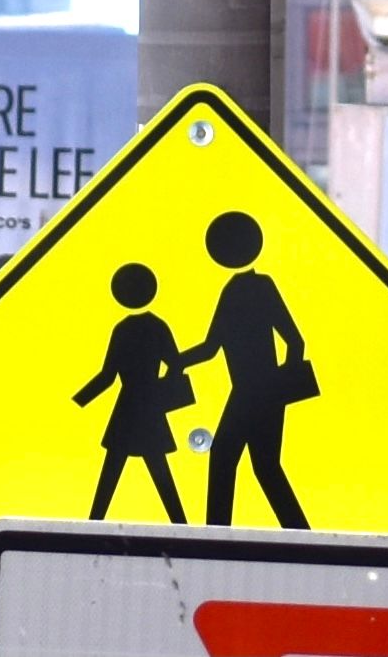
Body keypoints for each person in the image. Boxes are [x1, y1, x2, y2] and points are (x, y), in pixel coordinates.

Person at [194, 208, 314, 527]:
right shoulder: (232, 290)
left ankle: (214, 539)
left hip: (257, 392)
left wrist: (281, 388)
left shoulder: (261, 286)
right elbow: (212, 347)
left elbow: (295, 340)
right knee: (264, 466)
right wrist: (176, 362)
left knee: (224, 458)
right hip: (251, 391)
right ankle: (302, 536)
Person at [68, 259, 192, 520]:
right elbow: (176, 364)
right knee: (152, 468)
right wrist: (160, 391)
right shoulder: (157, 326)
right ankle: (181, 524)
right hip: (148, 407)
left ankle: (95, 523)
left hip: (129, 407)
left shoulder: (123, 329)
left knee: (119, 468)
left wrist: (79, 400)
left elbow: (108, 376)